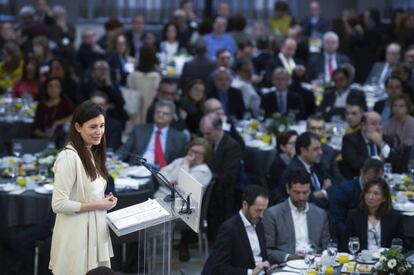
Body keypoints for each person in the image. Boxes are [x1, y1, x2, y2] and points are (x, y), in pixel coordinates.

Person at [50, 100, 117, 274]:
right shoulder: (68, 157)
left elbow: (90, 193)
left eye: (102, 126)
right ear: (78, 127)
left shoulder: (92, 152)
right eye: (93, 127)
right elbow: (58, 204)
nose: (99, 131)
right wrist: (98, 205)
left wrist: (104, 201)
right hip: (76, 235)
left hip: (95, 232)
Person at [263, 169, 330, 264]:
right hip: (287, 265)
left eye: (305, 192)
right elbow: (267, 250)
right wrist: (290, 257)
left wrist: (322, 255)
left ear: (310, 190)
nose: (301, 197)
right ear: (287, 189)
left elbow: (326, 247)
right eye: (297, 192)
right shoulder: (273, 214)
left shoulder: (320, 214)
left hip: (315, 264)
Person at [211, 185, 273, 274]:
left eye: (264, 211)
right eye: (258, 210)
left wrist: (268, 267)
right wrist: (250, 273)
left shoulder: (259, 224)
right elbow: (219, 268)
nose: (261, 215)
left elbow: (262, 257)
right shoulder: (229, 229)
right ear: (245, 205)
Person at [200, 113, 242, 241]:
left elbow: (229, 177)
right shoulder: (205, 142)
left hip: (221, 193)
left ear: (219, 129)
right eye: (203, 133)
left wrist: (205, 174)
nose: (205, 137)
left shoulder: (232, 146)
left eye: (208, 133)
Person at [117, 100, 187, 167]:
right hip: (137, 168)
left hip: (162, 172)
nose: (160, 115)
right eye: (158, 112)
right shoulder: (139, 130)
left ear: (171, 117)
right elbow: (124, 150)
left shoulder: (179, 137)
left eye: (164, 113)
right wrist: (114, 161)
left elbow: (177, 162)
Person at [343, 177, 404, 251]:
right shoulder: (353, 216)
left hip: (385, 260)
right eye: (368, 192)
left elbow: (399, 246)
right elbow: (345, 244)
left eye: (376, 193)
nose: (370, 197)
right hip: (359, 260)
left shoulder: (395, 218)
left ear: (384, 198)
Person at [330, 159, 384, 238]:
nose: (373, 185)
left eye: (378, 181)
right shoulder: (343, 191)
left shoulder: (382, 191)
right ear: (362, 172)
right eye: (370, 180)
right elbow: (337, 223)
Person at [279, 132, 332, 209]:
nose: (320, 152)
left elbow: (335, 184)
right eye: (315, 149)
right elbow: (306, 202)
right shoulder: (294, 171)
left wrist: (322, 193)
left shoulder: (317, 165)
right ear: (303, 150)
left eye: (320, 148)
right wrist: (324, 193)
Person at [341, 111, 398, 179]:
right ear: (363, 126)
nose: (378, 128)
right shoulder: (350, 139)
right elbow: (355, 163)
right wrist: (378, 159)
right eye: (373, 124)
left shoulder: (386, 139)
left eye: (380, 124)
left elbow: (395, 162)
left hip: (383, 180)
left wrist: (381, 143)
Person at [32, 77, 74, 143]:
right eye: (50, 86)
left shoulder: (65, 103)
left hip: (62, 141)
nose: (53, 89)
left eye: (56, 86)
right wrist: (44, 135)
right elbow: (35, 128)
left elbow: (75, 116)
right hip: (43, 141)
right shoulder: (41, 105)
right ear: (46, 89)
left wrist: (56, 123)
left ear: (61, 89)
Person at [306, 114, 345, 183]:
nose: (316, 132)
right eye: (313, 128)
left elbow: (337, 176)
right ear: (306, 130)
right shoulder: (299, 149)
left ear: (324, 132)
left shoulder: (329, 151)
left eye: (320, 129)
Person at [268, 130, 298, 196]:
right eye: (292, 143)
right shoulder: (277, 165)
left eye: (297, 143)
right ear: (283, 147)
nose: (296, 146)